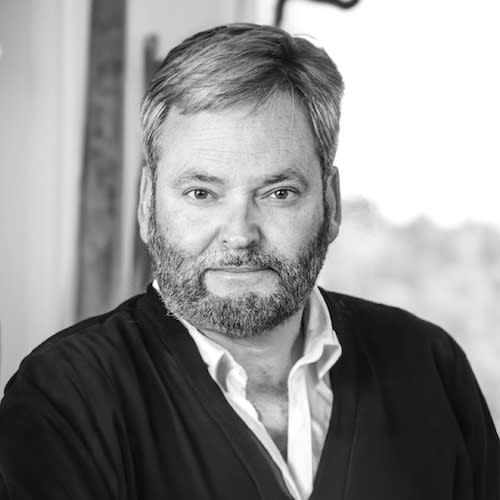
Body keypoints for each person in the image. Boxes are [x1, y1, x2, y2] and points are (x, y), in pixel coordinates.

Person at [0, 23, 498, 500]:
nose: (239, 235)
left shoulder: (429, 365)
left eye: (279, 193)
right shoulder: (65, 396)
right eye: (201, 193)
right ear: (147, 203)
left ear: (330, 202)